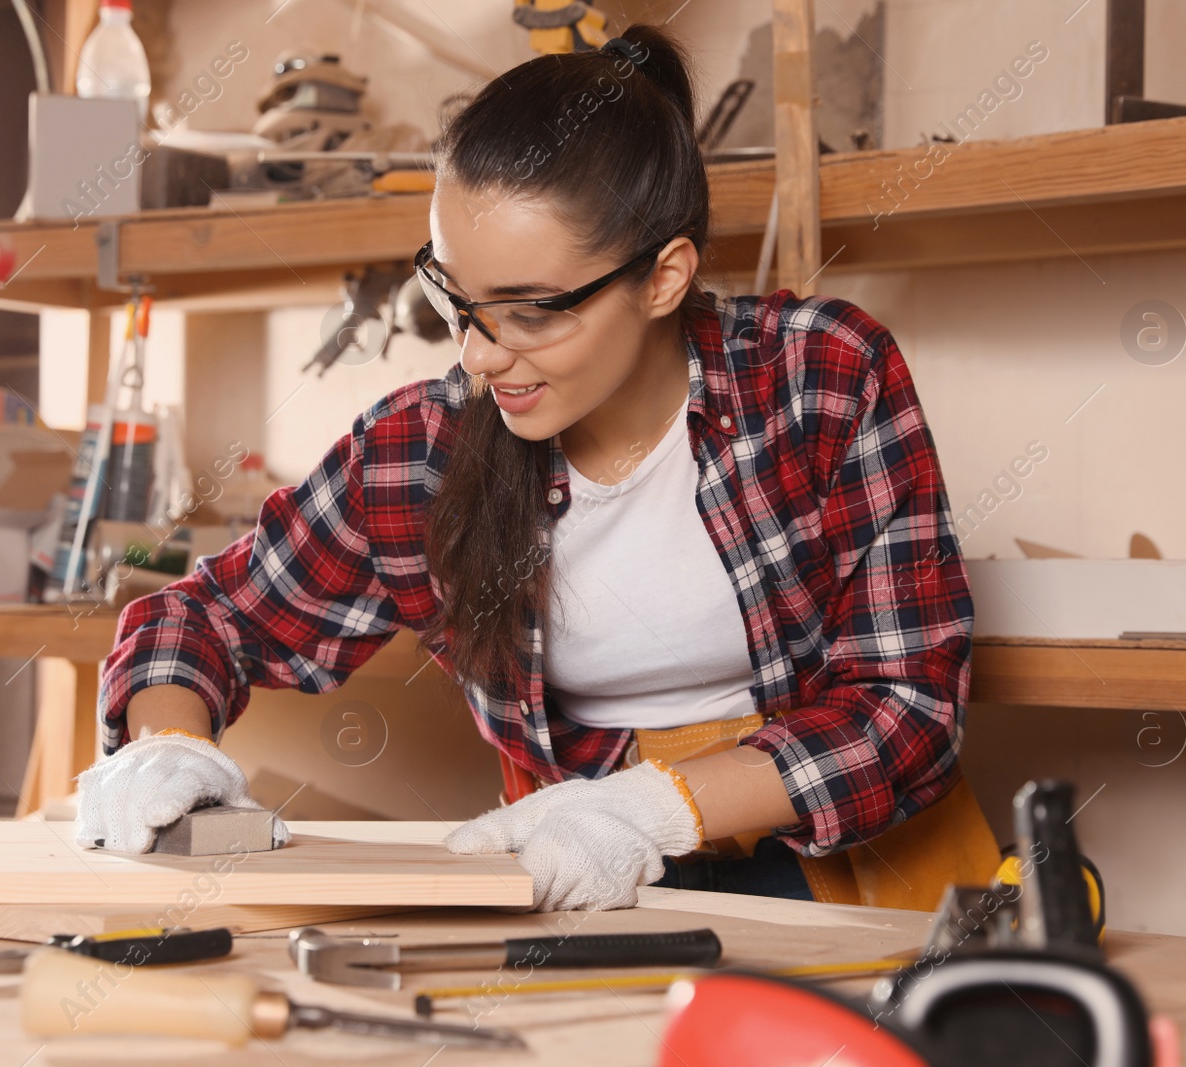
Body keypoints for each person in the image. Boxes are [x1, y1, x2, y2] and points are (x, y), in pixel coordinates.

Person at [76, 24, 974, 914]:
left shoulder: (820, 377)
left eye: (531, 312)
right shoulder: (424, 454)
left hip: (845, 872)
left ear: (664, 278)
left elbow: (908, 706)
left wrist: (656, 805)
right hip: (588, 881)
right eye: (457, 301)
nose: (478, 357)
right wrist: (166, 747)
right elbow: (203, 620)